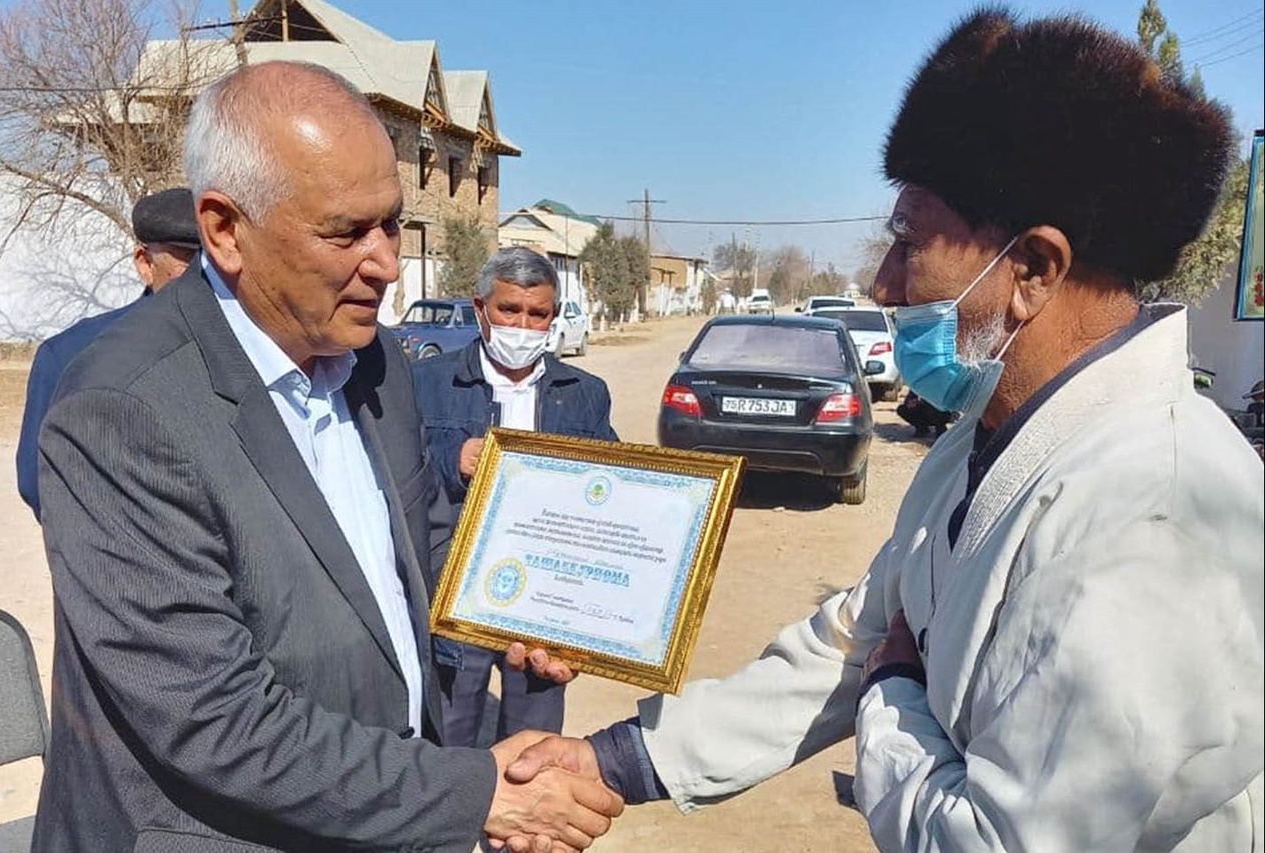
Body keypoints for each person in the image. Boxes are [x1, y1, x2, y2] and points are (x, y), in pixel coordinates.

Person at [503, 9, 1264, 851]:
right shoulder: (981, 441)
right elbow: (852, 640)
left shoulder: (1158, 512)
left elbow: (993, 838)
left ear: (1033, 270)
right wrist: (615, 760)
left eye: (909, 241)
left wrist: (895, 687)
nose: (883, 283)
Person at [32, 61, 621, 852]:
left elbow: (422, 545)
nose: (386, 262)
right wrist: (473, 793)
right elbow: (219, 720)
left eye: (391, 223)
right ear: (225, 230)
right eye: (346, 232)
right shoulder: (124, 411)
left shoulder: (376, 362)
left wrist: (520, 610)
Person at [410, 246, 618, 749]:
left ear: (553, 316)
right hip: (456, 589)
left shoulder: (584, 392)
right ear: (480, 308)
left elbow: (612, 487)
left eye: (537, 314)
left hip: (545, 597)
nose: (522, 326)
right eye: (509, 310)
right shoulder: (426, 383)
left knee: (533, 743)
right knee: (449, 739)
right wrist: (451, 458)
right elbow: (396, 469)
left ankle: (521, 805)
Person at [15, 186, 199, 519]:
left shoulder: (258, 349)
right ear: (145, 263)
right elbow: (37, 480)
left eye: (216, 260)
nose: (206, 275)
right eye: (189, 260)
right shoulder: (71, 355)